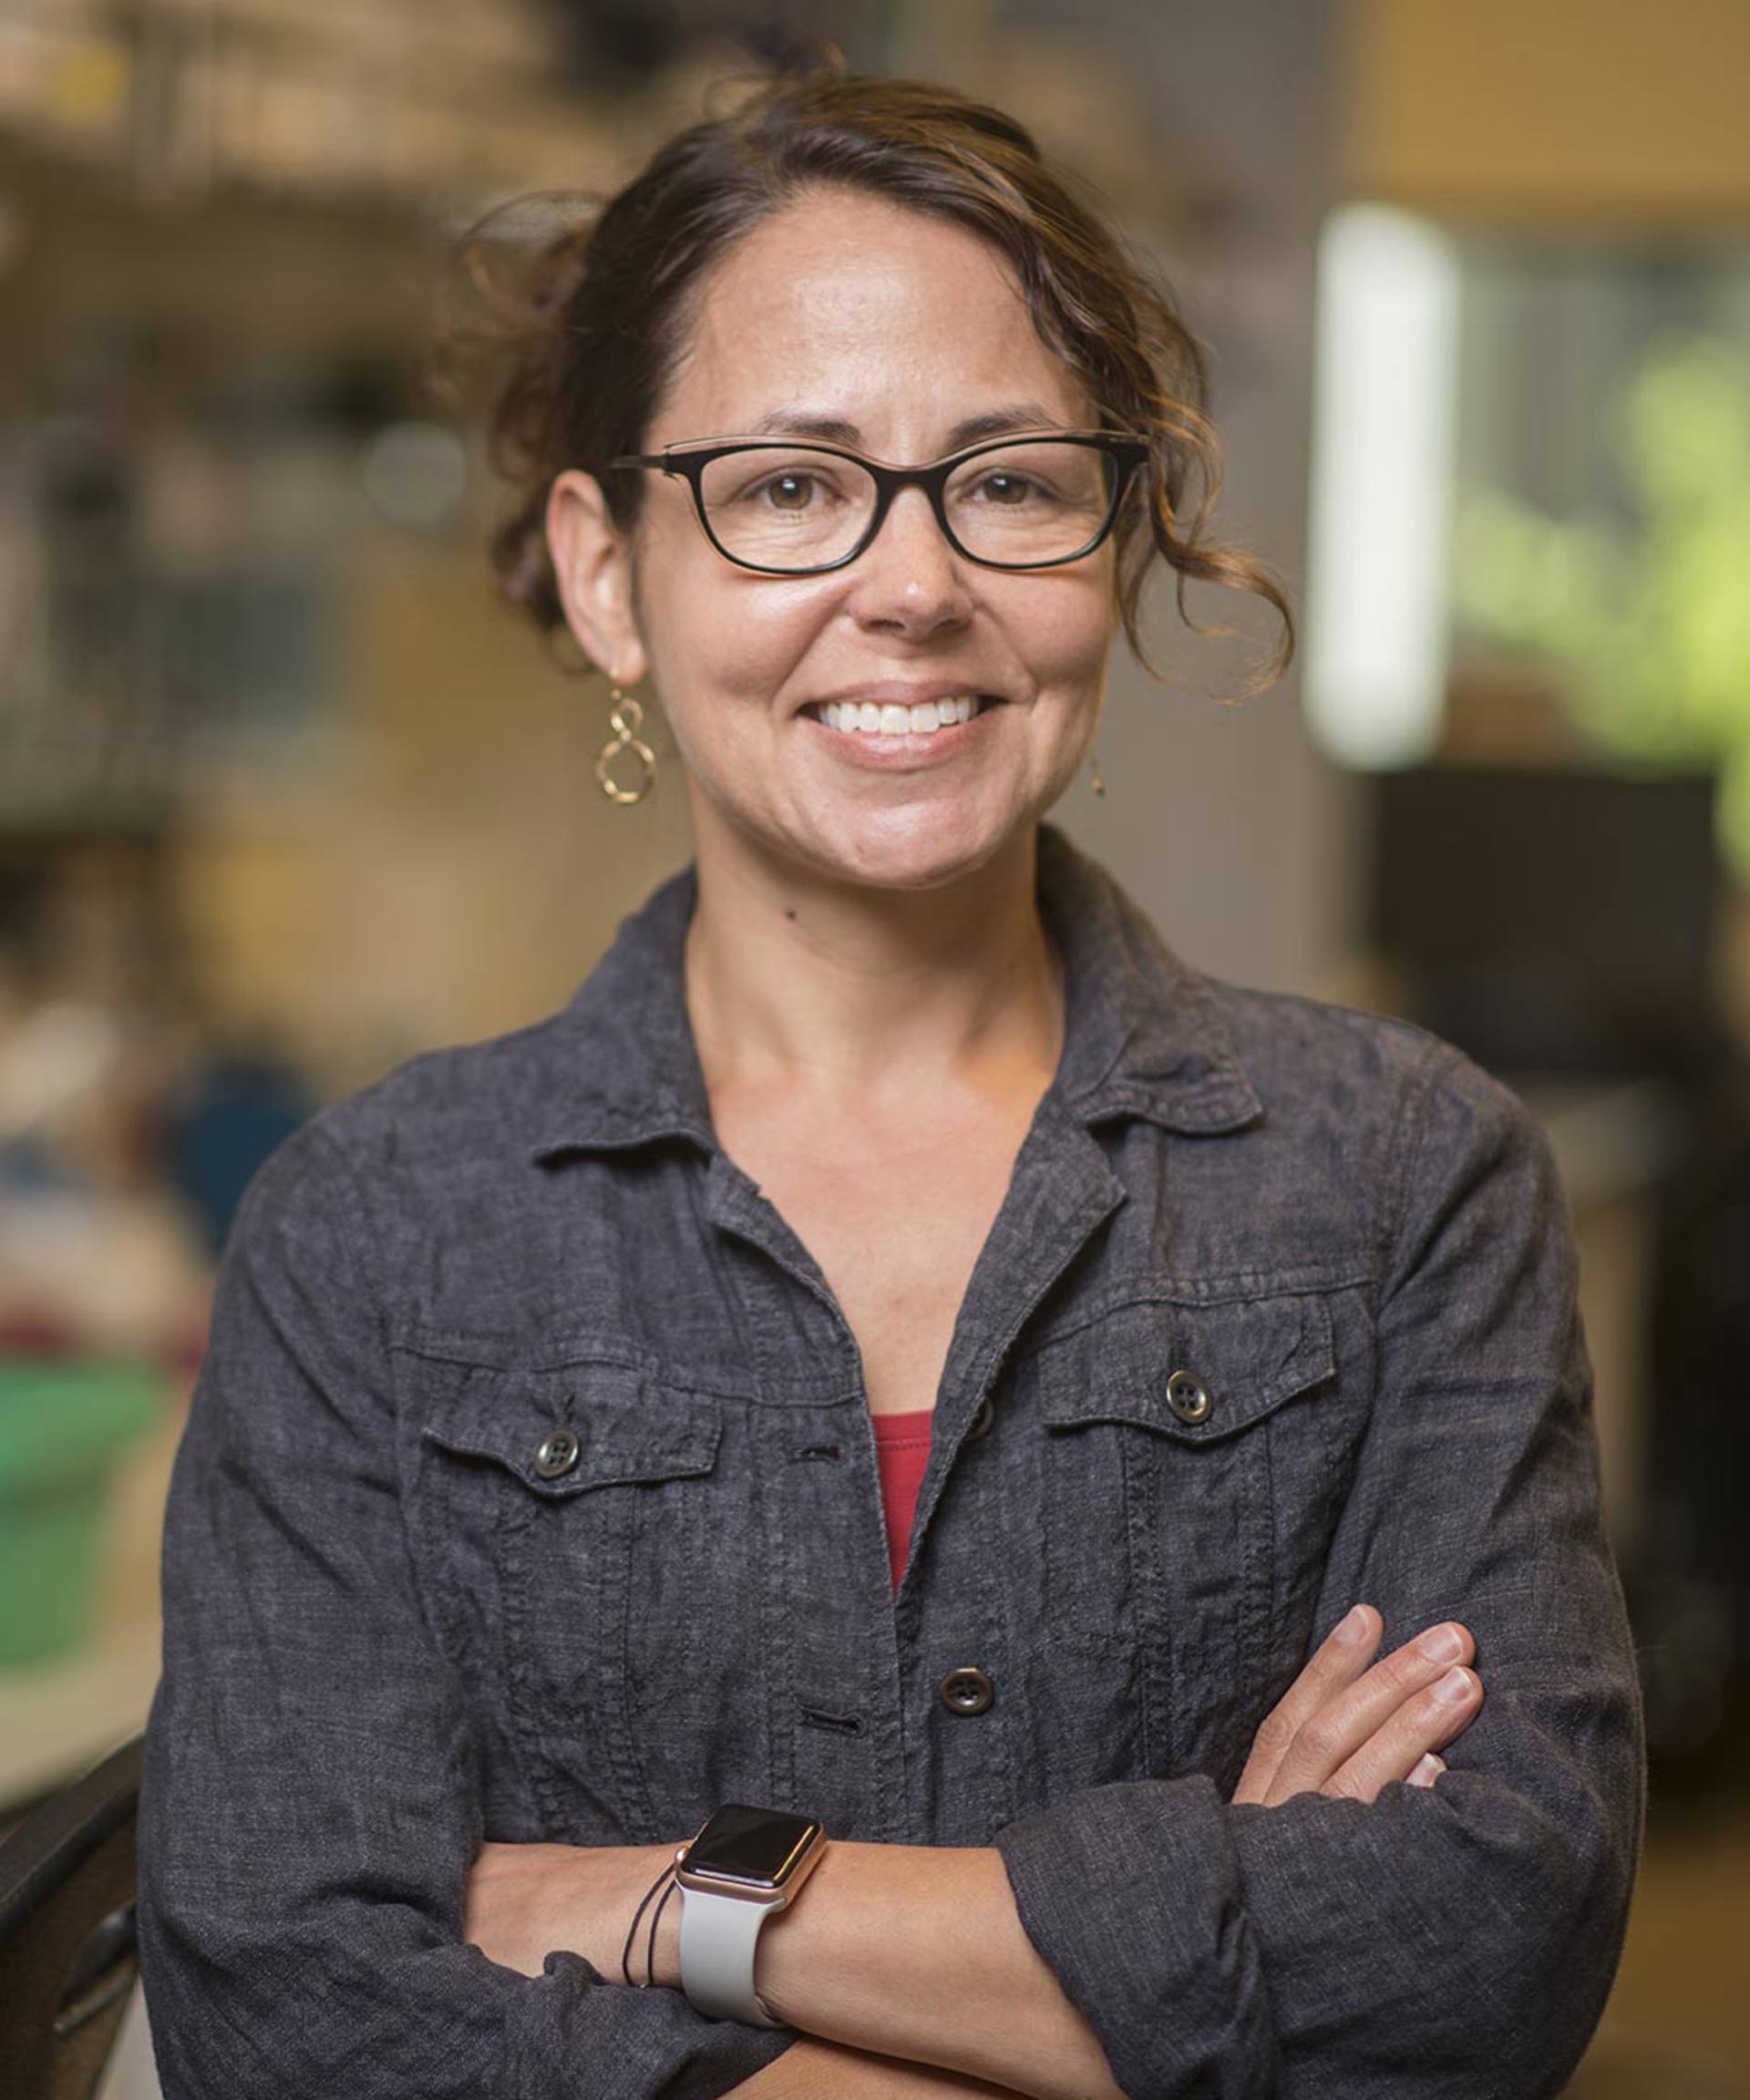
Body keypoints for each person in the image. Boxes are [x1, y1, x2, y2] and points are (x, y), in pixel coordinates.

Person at [137, 60, 1644, 2100]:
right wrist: (1171, 1984)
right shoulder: (376, 1232)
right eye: (785, 485)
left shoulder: (1402, 1177)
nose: (915, 583)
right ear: (607, 576)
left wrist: (672, 1905)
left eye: (1011, 478)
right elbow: (288, 2009)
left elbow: (1486, 1943)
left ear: (1110, 544)